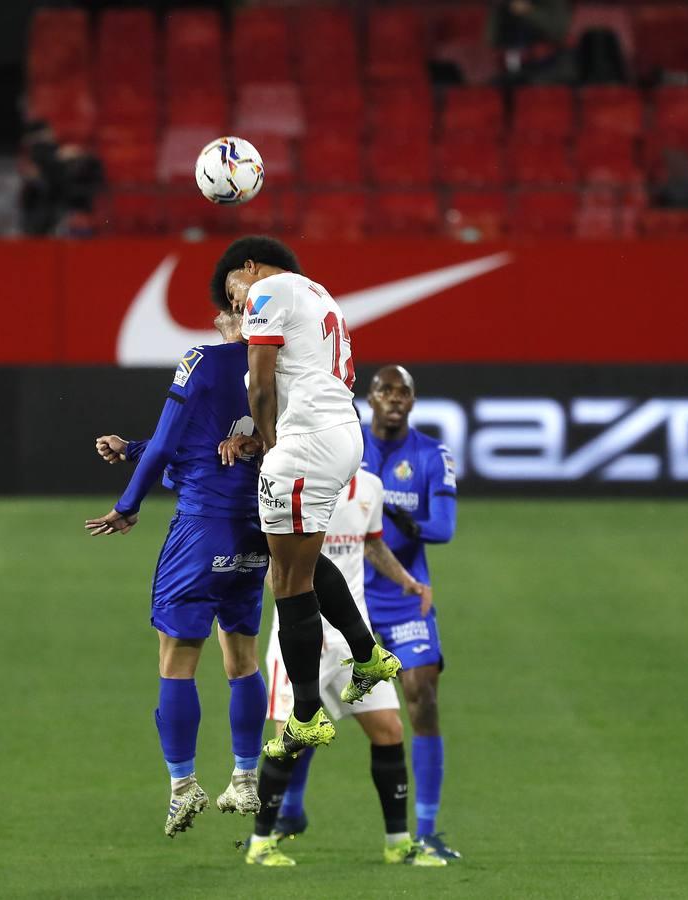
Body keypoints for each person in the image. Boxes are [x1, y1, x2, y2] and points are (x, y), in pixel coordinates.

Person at [210, 236, 401, 760]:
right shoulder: (320, 295)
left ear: (250, 267)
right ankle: (367, 657)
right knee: (303, 559)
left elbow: (262, 383)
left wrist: (269, 447)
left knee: (286, 578)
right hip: (341, 436)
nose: (236, 305)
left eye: (233, 290)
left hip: (304, 445)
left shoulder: (267, 290)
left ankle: (306, 715)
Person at [85, 310, 269, 836]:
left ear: (242, 314)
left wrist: (127, 504)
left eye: (231, 297)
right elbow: (198, 446)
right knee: (242, 658)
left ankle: (183, 787)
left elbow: (171, 446)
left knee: (177, 659)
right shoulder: (281, 368)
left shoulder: (203, 360)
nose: (220, 307)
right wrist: (132, 450)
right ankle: (245, 776)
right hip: (254, 529)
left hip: (200, 529)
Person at [239, 466, 447, 867]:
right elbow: (274, 559)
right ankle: (261, 842)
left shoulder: (370, 486)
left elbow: (371, 545)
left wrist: (406, 580)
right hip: (299, 640)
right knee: (291, 740)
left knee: (389, 730)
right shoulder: (292, 488)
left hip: (355, 642)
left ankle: (398, 843)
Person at [361, 365, 461, 862]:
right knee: (306, 707)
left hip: (404, 598)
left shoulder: (431, 455)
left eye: (404, 393)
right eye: (386, 391)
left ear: (413, 402)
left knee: (421, 695)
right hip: (348, 596)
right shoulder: (345, 446)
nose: (395, 399)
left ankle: (426, 829)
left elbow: (443, 528)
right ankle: (285, 814)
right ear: (371, 397)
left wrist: (395, 516)